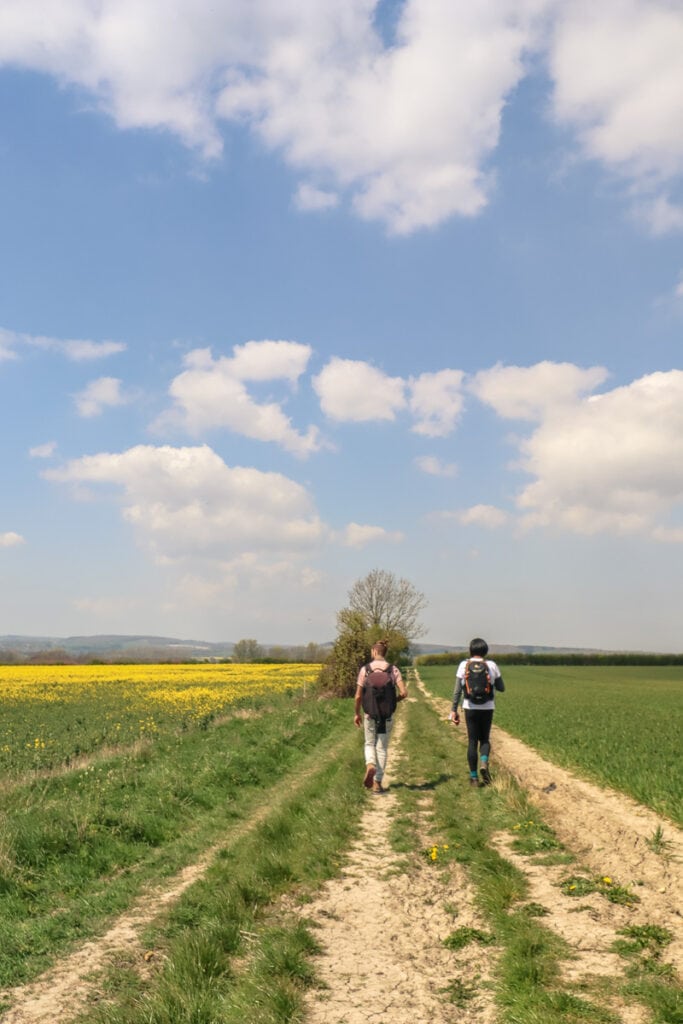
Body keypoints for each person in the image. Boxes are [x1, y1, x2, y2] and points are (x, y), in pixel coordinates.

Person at [449, 637, 505, 786]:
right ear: (485, 651)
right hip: (487, 707)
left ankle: (473, 778)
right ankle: (484, 762)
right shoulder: (491, 665)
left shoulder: (463, 665)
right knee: (485, 739)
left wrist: (453, 710)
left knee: (472, 741)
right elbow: (501, 688)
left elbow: (457, 691)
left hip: (470, 707)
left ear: (470, 650)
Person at [354, 640, 408, 793]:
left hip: (370, 715)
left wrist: (357, 713)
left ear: (374, 652)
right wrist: (393, 701)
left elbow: (358, 696)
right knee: (382, 747)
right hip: (386, 716)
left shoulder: (365, 670)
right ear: (385, 653)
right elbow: (404, 693)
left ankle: (370, 764)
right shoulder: (393, 670)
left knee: (369, 744)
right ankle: (377, 782)